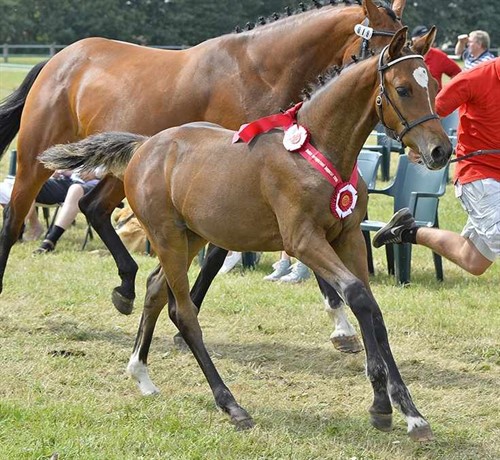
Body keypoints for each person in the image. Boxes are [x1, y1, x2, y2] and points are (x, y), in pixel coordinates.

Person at [372, 58, 500, 276]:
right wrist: (419, 144)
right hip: (479, 176)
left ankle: (407, 231)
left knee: (473, 260)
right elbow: (430, 110)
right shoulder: (474, 78)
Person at [32, 170, 100, 254]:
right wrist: (62, 170)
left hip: (99, 182)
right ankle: (19, 233)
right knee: (31, 183)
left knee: (75, 189)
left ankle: (50, 242)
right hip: (69, 180)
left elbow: (117, 168)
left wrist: (96, 173)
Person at [411, 25, 461, 92]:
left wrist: (447, 91)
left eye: (427, 37)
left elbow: (457, 73)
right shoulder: (408, 57)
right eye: (421, 38)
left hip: (435, 100)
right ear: (414, 41)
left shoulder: (439, 55)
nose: (425, 40)